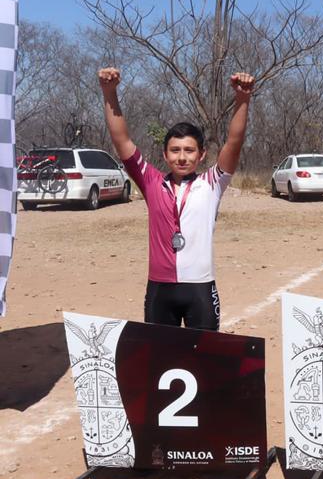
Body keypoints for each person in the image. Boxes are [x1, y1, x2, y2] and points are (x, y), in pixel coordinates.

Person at [98, 67, 255, 331]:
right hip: (160, 289)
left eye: (189, 150)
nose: (182, 157)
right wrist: (109, 93)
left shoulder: (212, 183)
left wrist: (243, 99)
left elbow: (234, 142)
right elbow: (121, 140)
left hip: (200, 289)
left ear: (201, 155)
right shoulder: (150, 181)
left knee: (205, 355)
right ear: (165, 154)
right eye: (175, 150)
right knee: (160, 355)